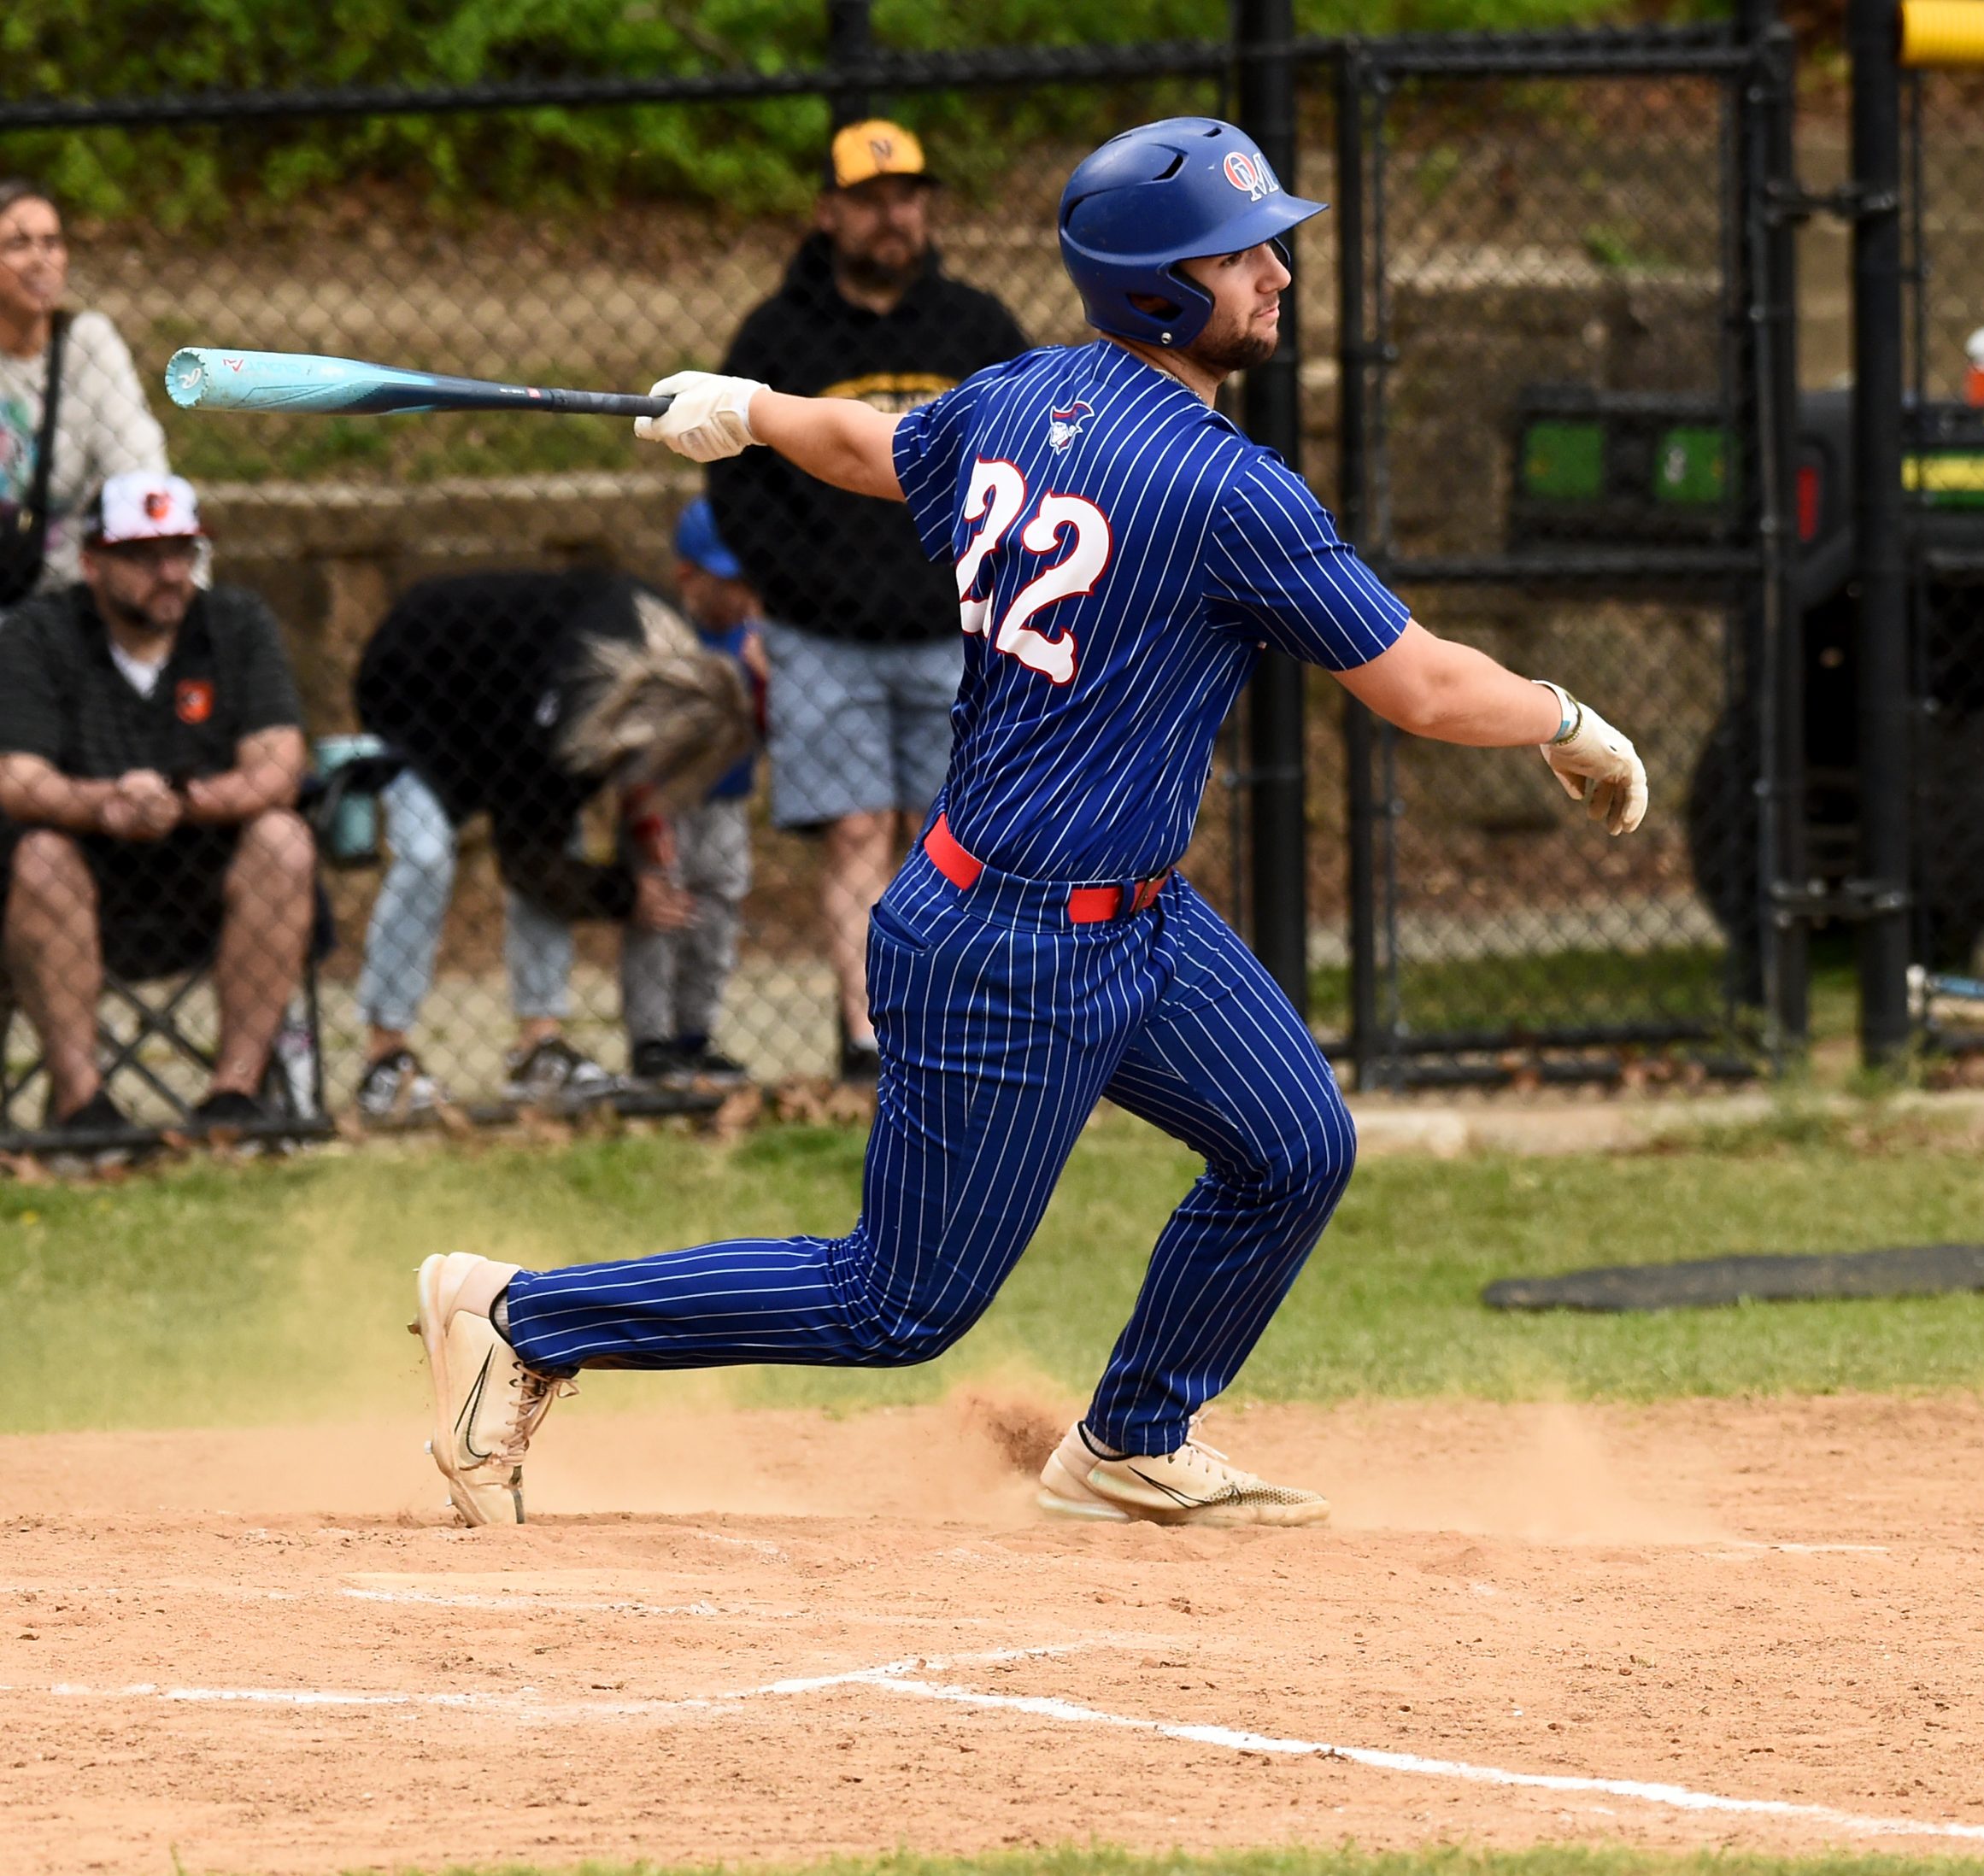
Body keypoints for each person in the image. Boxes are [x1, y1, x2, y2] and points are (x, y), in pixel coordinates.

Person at [411, 117, 1647, 1530]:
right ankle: (525, 1317)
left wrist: (749, 406)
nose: (1278, 274)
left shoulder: (1021, 395)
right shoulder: (1226, 491)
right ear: (1161, 289)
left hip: (1134, 919)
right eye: (1243, 254)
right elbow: (1423, 688)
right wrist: (1565, 719)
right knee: (895, 1303)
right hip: (1010, 944)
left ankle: (1129, 1438)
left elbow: (871, 448)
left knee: (1294, 1145)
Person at [707, 120, 1026, 1081]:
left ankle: (954, 1030)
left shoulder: (977, 328)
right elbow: (739, 487)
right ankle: (867, 1036)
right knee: (854, 829)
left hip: (954, 634)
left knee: (958, 837)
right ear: (829, 210)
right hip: (821, 635)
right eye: (874, 198)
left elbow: (1032, 459)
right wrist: (799, 588)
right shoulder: (778, 335)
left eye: (911, 196)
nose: (897, 215)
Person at [350, 568, 752, 1116]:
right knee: (427, 856)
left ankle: (539, 1047)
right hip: (415, 690)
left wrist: (641, 818)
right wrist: (625, 894)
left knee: (554, 827)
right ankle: (383, 1057)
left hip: (500, 706)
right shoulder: (579, 707)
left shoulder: (654, 666)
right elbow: (526, 862)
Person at [0, 472, 312, 1132]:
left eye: (182, 552)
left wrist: (183, 800)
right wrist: (105, 802)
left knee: (284, 839)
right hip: (77, 886)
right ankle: (83, 1107)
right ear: (92, 563)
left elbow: (279, 767)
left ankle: (236, 1097)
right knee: (40, 856)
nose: (169, 573)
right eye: (143, 557)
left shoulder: (236, 623)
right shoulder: (37, 634)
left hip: (205, 879)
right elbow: (16, 777)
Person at [622, 500, 765, 1087]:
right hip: (665, 802)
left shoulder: (758, 641)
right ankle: (651, 1040)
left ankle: (695, 1033)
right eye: (731, 583)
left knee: (716, 913)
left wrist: (765, 682)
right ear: (689, 577)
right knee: (663, 914)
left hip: (727, 800)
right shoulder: (662, 637)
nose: (744, 597)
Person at [0, 179, 170, 605]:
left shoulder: (88, 345)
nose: (40, 260)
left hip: (68, 606)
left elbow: (143, 472)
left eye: (52, 243)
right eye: (18, 244)